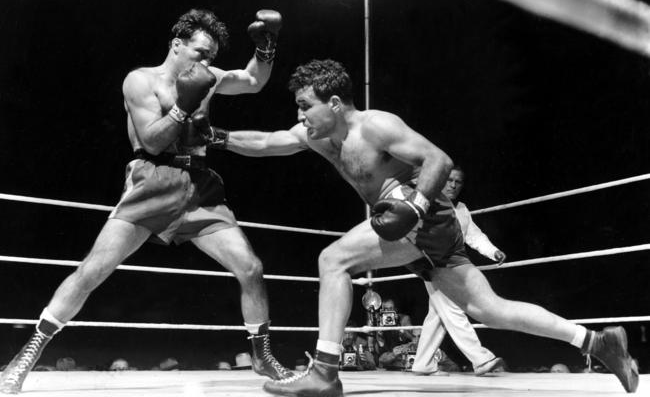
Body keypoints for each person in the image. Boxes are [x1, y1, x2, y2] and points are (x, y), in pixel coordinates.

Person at [193, 59, 638, 396]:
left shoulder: (377, 125)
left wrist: (418, 206)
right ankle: (598, 341)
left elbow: (438, 160)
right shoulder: (315, 135)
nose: (300, 113)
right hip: (411, 227)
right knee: (489, 308)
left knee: (333, 260)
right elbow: (270, 143)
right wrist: (216, 137)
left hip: (423, 218)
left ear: (334, 102)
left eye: (305, 105)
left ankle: (326, 372)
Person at [0, 8, 291, 395]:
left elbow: (253, 81)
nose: (207, 63)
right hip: (152, 178)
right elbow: (153, 140)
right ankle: (27, 355)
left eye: (212, 57)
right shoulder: (140, 81)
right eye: (200, 53)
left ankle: (263, 355)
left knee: (251, 268)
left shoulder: (210, 77)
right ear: (176, 45)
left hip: (200, 185)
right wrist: (184, 105)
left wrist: (266, 48)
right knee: (92, 271)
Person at [412, 166, 506, 376]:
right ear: (441, 180)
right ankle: (481, 359)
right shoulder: (429, 204)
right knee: (452, 308)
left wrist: (493, 251)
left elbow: (474, 235)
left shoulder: (462, 209)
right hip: (432, 264)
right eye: (449, 180)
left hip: (454, 266)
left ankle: (422, 363)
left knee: (438, 314)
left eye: (458, 182)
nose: (453, 185)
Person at [375, 299, 419, 370]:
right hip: (390, 355)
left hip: (403, 354)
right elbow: (380, 349)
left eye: (391, 309)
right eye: (386, 309)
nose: (388, 311)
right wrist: (379, 333)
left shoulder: (404, 319)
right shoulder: (380, 320)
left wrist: (399, 327)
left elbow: (413, 339)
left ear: (395, 309)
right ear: (382, 311)